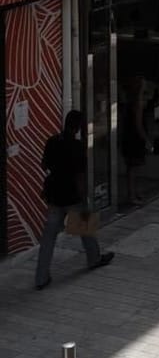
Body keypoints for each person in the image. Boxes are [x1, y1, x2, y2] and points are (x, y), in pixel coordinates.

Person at [35, 111, 114, 290]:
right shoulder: (77, 146)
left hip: (54, 194)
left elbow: (44, 165)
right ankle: (93, 259)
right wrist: (84, 195)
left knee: (48, 238)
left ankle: (41, 277)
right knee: (86, 230)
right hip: (72, 195)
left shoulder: (52, 141)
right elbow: (79, 175)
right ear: (78, 127)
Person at [119, 75, 148, 206]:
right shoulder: (137, 103)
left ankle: (134, 193)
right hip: (134, 138)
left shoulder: (130, 102)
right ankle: (133, 194)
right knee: (134, 168)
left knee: (132, 168)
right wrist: (146, 139)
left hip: (129, 136)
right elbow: (138, 124)